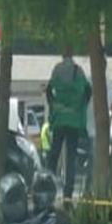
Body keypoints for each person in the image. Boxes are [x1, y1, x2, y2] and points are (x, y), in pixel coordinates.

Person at [45, 52, 92, 201]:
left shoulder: (57, 69)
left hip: (59, 120)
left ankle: (48, 189)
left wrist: (54, 106)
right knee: (71, 157)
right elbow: (88, 90)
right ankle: (68, 194)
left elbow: (48, 90)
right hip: (74, 121)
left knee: (54, 155)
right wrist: (81, 107)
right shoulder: (79, 71)